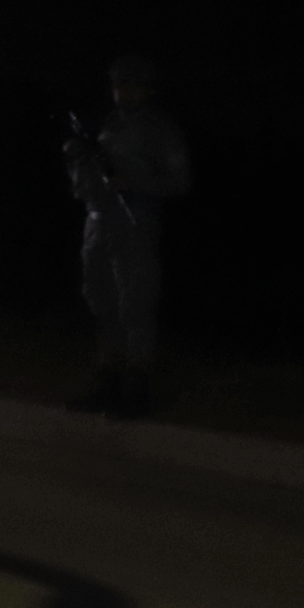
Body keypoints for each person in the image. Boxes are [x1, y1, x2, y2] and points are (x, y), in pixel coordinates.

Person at [65, 52, 191, 417]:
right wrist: (77, 157)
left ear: (147, 89)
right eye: (119, 84)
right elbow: (84, 184)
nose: (124, 91)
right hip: (98, 222)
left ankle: (136, 391)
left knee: (134, 306)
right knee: (100, 301)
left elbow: (180, 182)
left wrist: (133, 182)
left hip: (135, 223)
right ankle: (108, 383)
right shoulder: (106, 124)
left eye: (133, 84)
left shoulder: (161, 129)